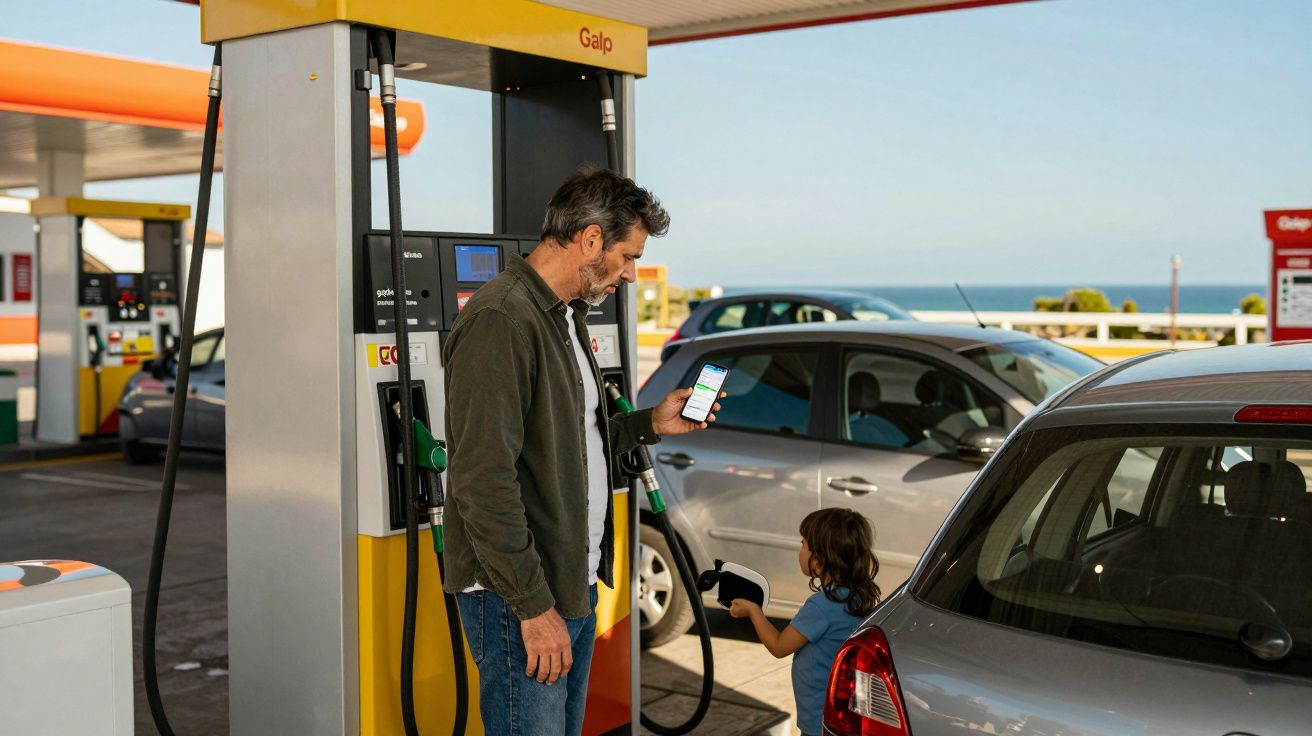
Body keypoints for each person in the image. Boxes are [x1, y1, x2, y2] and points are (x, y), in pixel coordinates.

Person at [442, 166, 721, 736]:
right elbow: (481, 480)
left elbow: (568, 442)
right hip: (519, 596)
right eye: (628, 256)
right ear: (591, 239)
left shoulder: (565, 318)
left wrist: (649, 424)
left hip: (570, 580)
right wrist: (531, 607)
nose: (631, 274)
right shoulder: (501, 320)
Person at [730, 508, 882, 736]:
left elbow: (779, 646)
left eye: (803, 544)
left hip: (818, 718)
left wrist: (753, 611)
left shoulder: (822, 606)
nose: (800, 550)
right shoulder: (857, 596)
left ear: (820, 557)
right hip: (841, 714)